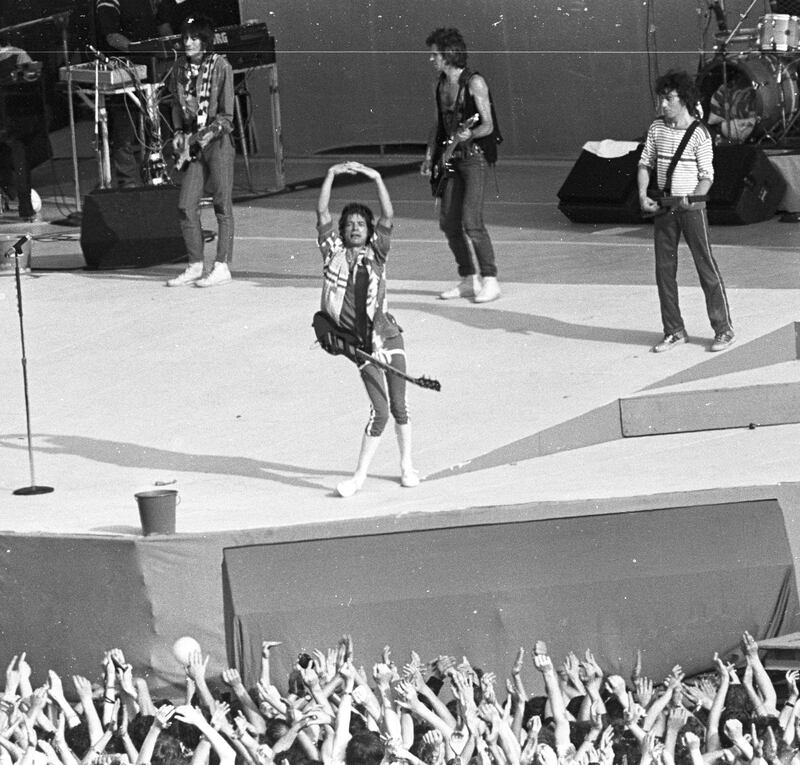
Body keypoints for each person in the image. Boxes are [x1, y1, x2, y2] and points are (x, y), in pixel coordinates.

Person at [316, 161, 419, 497]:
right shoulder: (332, 253)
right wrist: (331, 175)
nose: (356, 227)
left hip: (388, 337)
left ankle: (406, 466)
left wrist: (376, 177)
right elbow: (322, 213)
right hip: (361, 346)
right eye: (351, 224)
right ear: (343, 230)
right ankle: (359, 477)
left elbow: (388, 216)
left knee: (400, 406)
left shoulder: (377, 252)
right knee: (381, 410)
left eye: (362, 223)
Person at [638, 70, 734, 353]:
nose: (663, 105)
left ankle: (724, 329)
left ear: (685, 99)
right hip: (665, 208)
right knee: (664, 271)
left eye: (669, 99)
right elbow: (645, 163)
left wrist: (694, 198)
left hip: (691, 209)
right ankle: (674, 330)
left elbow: (707, 175)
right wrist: (643, 194)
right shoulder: (656, 129)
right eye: (661, 99)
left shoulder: (700, 134)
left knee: (705, 266)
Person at [421, 27, 501, 304]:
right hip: (451, 160)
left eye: (435, 55)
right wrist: (430, 155)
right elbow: (438, 124)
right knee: (448, 222)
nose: (431, 60)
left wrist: (471, 133)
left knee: (472, 222)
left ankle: (490, 280)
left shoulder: (474, 83)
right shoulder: (440, 84)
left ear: (448, 55)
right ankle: (469, 278)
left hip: (474, 159)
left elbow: (488, 125)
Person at [165, 15, 235, 288]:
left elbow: (226, 117)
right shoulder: (180, 68)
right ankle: (195, 264)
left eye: (194, 38)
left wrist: (205, 135)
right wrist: (179, 133)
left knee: (222, 205)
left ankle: (222, 265)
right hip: (193, 146)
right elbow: (175, 105)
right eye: (185, 38)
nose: (188, 43)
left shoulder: (221, 66)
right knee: (185, 205)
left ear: (205, 41)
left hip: (216, 143)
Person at [95, 0, 158, 187]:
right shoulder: (107, 2)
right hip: (126, 68)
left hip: (149, 65)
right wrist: (138, 50)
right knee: (124, 132)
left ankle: (154, 177)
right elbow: (112, 36)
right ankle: (128, 183)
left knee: (153, 128)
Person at [0, 42, 45, 221]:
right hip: (14, 119)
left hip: (12, 118)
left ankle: (19, 200)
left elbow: (31, 80)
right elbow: (31, 80)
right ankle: (24, 205)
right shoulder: (18, 54)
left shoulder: (18, 54)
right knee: (19, 157)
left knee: (17, 155)